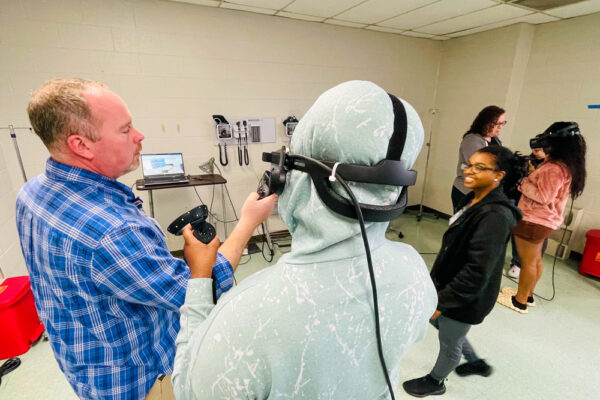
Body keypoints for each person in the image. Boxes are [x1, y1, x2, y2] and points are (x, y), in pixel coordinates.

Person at [172, 80, 438, 399]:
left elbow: (189, 389)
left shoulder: (246, 315)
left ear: (292, 178)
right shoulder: (414, 270)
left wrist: (200, 279)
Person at [15, 78, 276, 400]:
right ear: (80, 145)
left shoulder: (31, 193)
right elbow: (197, 290)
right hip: (142, 382)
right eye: (125, 130)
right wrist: (248, 221)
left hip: (86, 367)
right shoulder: (114, 231)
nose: (139, 136)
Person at [403, 146, 523, 398]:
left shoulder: (495, 215)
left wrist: (442, 303)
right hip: (450, 285)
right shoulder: (473, 199)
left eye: (480, 168)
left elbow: (477, 272)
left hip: (467, 296)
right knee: (444, 326)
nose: (469, 171)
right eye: (469, 165)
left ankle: (436, 382)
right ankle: (475, 361)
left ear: (498, 175)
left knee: (449, 341)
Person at [498, 122, 586, 313]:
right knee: (535, 260)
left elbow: (543, 196)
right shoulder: (565, 166)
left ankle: (519, 301)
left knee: (528, 261)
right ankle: (527, 295)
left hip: (533, 220)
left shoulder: (554, 168)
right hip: (544, 221)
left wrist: (522, 182)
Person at [506, 137, 548, 278]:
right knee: (517, 233)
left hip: (540, 212)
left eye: (538, 150)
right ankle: (516, 262)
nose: (534, 152)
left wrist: (530, 177)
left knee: (536, 243)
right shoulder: (529, 161)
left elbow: (543, 196)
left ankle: (526, 266)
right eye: (533, 149)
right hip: (522, 204)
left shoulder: (552, 169)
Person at [452, 105, 506, 212]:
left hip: (483, 192)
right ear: (486, 122)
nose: (500, 127)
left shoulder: (495, 140)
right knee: (464, 226)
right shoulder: (472, 140)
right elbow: (480, 167)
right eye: (497, 124)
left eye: (503, 123)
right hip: (466, 191)